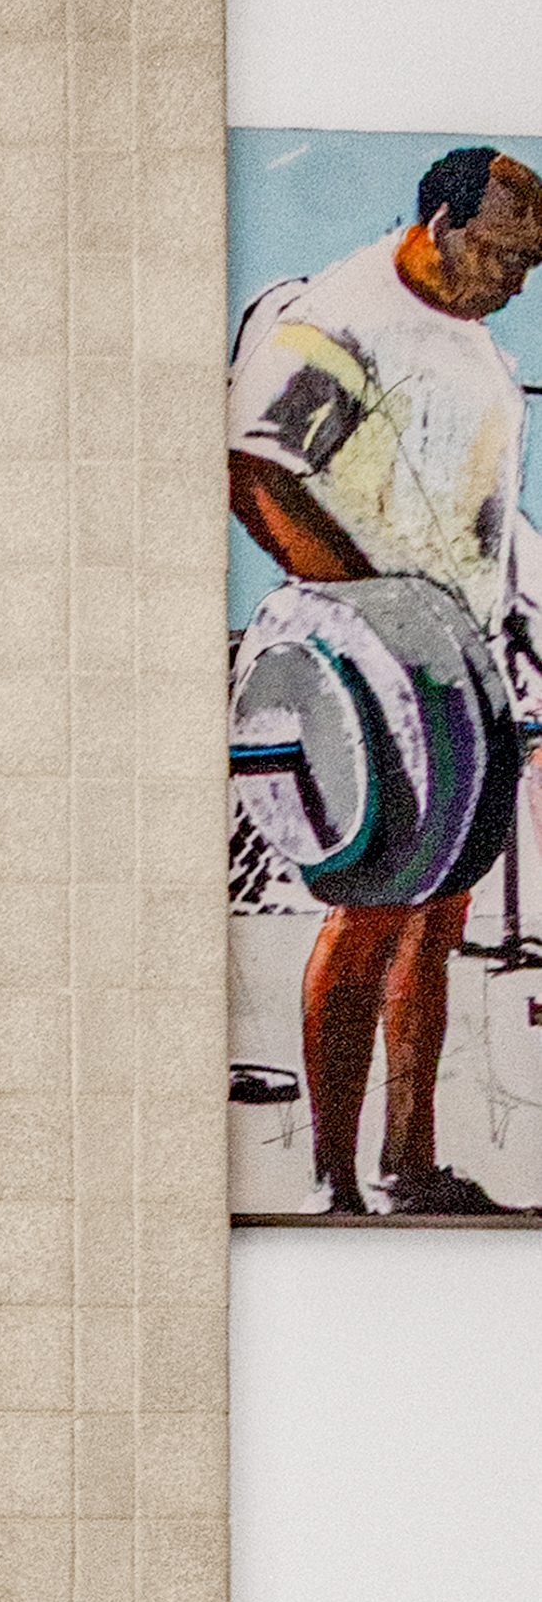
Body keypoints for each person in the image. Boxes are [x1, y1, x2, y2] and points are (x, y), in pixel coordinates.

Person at [230, 141, 542, 1213]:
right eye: (502, 255)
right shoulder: (341, 320)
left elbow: (487, 522)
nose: (516, 281)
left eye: (530, 265)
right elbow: (254, 470)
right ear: (441, 223)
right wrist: (377, 620)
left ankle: (409, 1164)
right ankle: (334, 1182)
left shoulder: (477, 352)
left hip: (460, 675)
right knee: (367, 917)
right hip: (368, 679)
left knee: (438, 919)